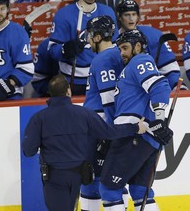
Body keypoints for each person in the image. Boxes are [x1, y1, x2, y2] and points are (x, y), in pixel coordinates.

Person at [22, 73, 147, 211]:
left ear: (50, 93)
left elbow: (28, 151)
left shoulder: (39, 118)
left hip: (54, 176)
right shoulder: (84, 114)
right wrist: (135, 127)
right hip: (77, 175)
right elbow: (110, 132)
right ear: (68, 91)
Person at [99, 29, 173, 211]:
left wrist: (160, 120)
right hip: (146, 140)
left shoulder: (140, 60)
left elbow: (160, 85)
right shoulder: (131, 67)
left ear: (138, 46)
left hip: (132, 137)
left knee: (109, 188)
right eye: (119, 49)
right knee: (140, 190)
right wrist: (157, 124)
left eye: (125, 48)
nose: (122, 53)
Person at [81, 15, 128, 211]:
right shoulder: (120, 55)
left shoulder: (103, 59)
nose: (89, 40)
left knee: (91, 179)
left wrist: (110, 133)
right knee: (115, 179)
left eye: (91, 35)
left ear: (99, 37)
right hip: (111, 126)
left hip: (100, 127)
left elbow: (109, 100)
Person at [48, 0, 119, 95]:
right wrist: (65, 49)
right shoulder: (63, 15)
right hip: (73, 82)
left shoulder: (108, 12)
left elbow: (116, 46)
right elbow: (53, 50)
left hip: (104, 77)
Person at [116, 0, 187, 90]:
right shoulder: (112, 39)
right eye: (127, 15)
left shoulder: (153, 35)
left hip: (151, 90)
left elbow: (169, 69)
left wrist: (176, 86)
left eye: (134, 14)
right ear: (119, 17)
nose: (131, 19)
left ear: (138, 16)